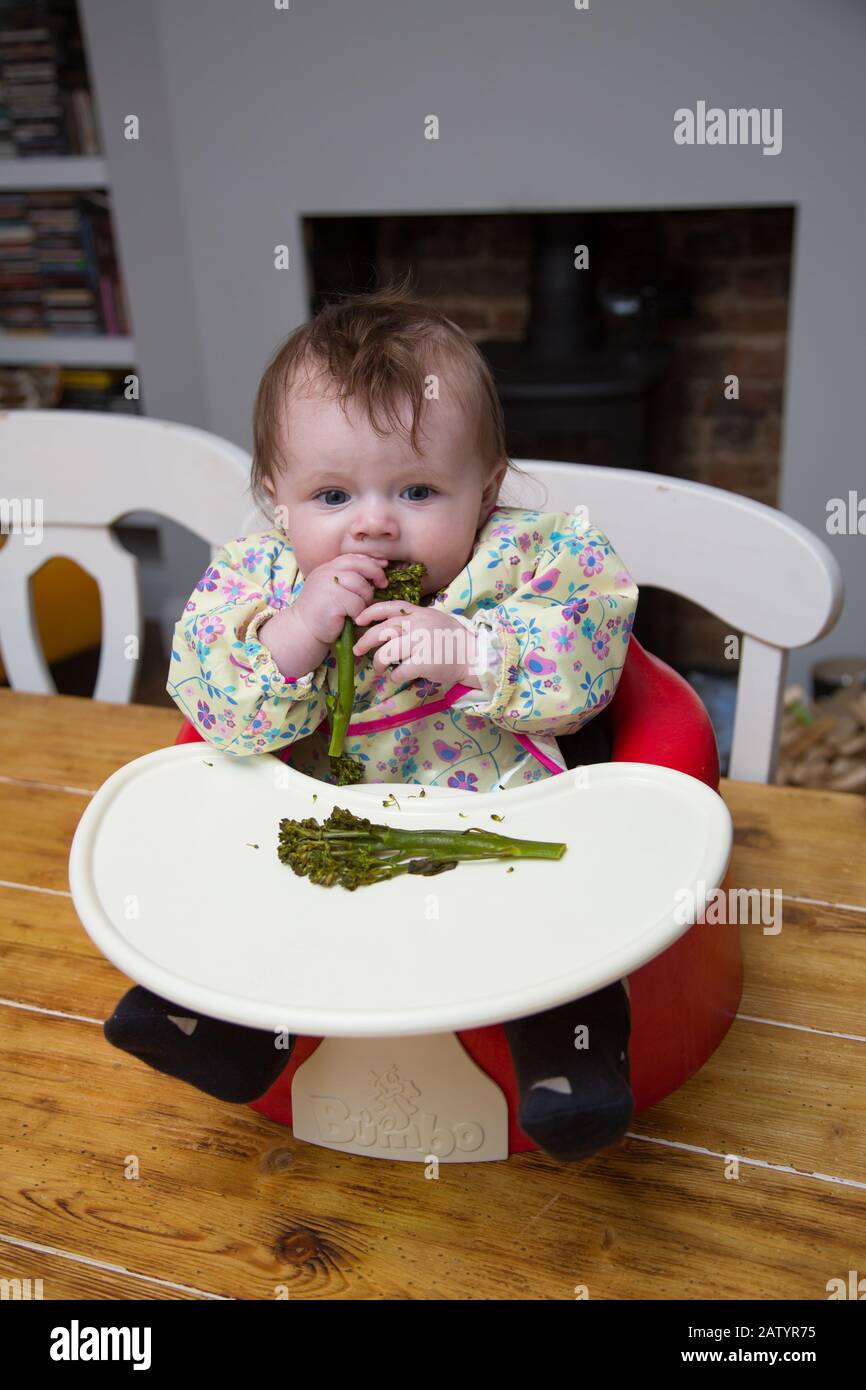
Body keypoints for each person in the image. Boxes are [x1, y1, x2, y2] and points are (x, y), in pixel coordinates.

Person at [104, 277, 639, 1163]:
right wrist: (293, 635)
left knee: (562, 920)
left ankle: (570, 1067)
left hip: (496, 830)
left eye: (420, 491)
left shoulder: (536, 563)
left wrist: (473, 650)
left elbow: (590, 667)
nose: (375, 528)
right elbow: (209, 703)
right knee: (251, 901)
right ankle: (226, 1034)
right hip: (325, 833)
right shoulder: (256, 580)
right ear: (276, 496)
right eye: (332, 498)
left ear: (489, 488)